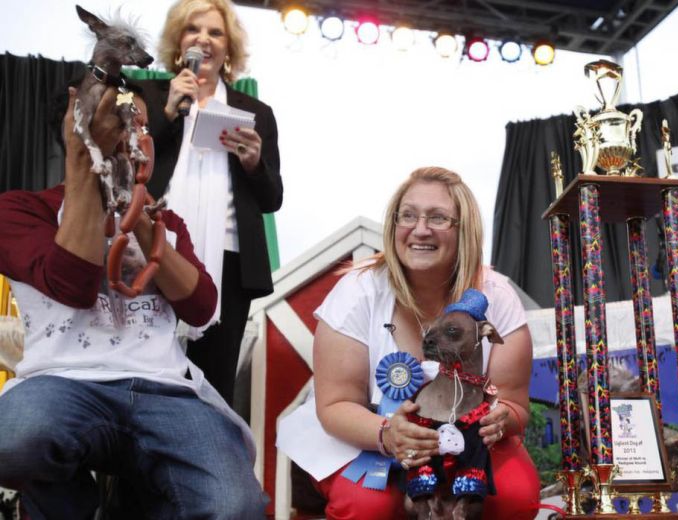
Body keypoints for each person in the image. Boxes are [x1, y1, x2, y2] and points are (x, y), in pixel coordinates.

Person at [0, 85, 265, 519]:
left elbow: (201, 307)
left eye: (139, 124)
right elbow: (74, 285)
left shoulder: (167, 221)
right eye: (115, 123)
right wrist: (88, 168)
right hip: (63, 382)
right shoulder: (21, 210)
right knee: (14, 439)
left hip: (164, 389)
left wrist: (139, 214)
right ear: (75, 131)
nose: (128, 136)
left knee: (233, 505)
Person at [277, 167, 540, 519]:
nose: (420, 229)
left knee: (514, 496)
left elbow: (514, 404)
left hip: (468, 440)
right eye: (409, 215)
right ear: (393, 225)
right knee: (370, 504)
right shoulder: (357, 292)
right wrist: (388, 434)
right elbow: (336, 404)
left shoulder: (498, 296)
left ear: (465, 230)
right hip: (367, 432)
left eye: (438, 218)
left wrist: (501, 419)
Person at [135, 0, 282, 407]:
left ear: (229, 48)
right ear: (179, 42)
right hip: (152, 252)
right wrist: (166, 112)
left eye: (215, 32)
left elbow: (273, 199)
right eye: (193, 30)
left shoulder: (255, 112)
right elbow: (125, 167)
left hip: (229, 262)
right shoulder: (147, 96)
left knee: (211, 387)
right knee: (142, 382)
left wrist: (253, 163)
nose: (204, 39)